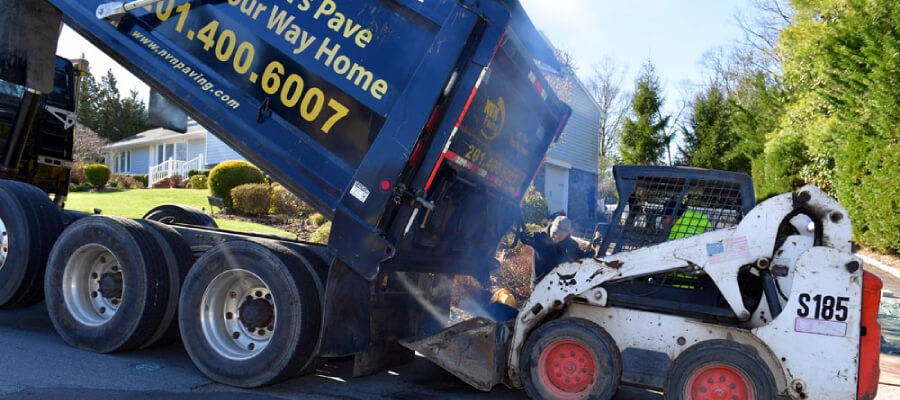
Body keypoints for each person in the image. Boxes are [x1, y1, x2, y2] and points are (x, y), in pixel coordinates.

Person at [521, 216, 589, 286]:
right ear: (552, 226)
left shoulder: (568, 242)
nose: (556, 236)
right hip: (539, 286)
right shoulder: (540, 238)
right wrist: (525, 235)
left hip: (558, 286)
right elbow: (526, 238)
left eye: (560, 234)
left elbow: (581, 257)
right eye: (555, 232)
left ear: (567, 233)